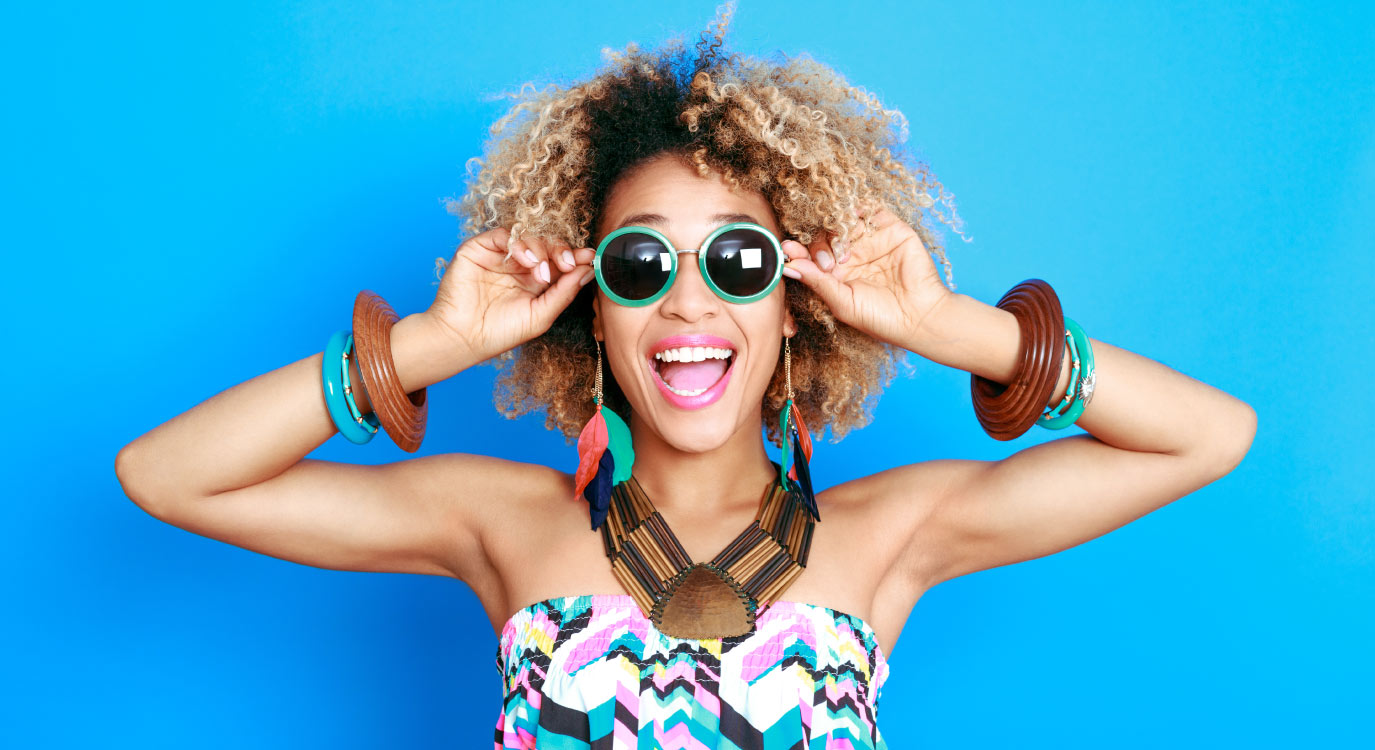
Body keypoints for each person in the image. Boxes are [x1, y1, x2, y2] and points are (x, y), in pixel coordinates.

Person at [114, 7, 1256, 748]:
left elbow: (1208, 436)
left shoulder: (891, 535)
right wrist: (427, 347)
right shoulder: (495, 522)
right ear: (593, 313)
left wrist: (952, 324)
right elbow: (168, 475)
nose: (689, 301)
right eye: (642, 260)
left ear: (794, 305)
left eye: (739, 260)